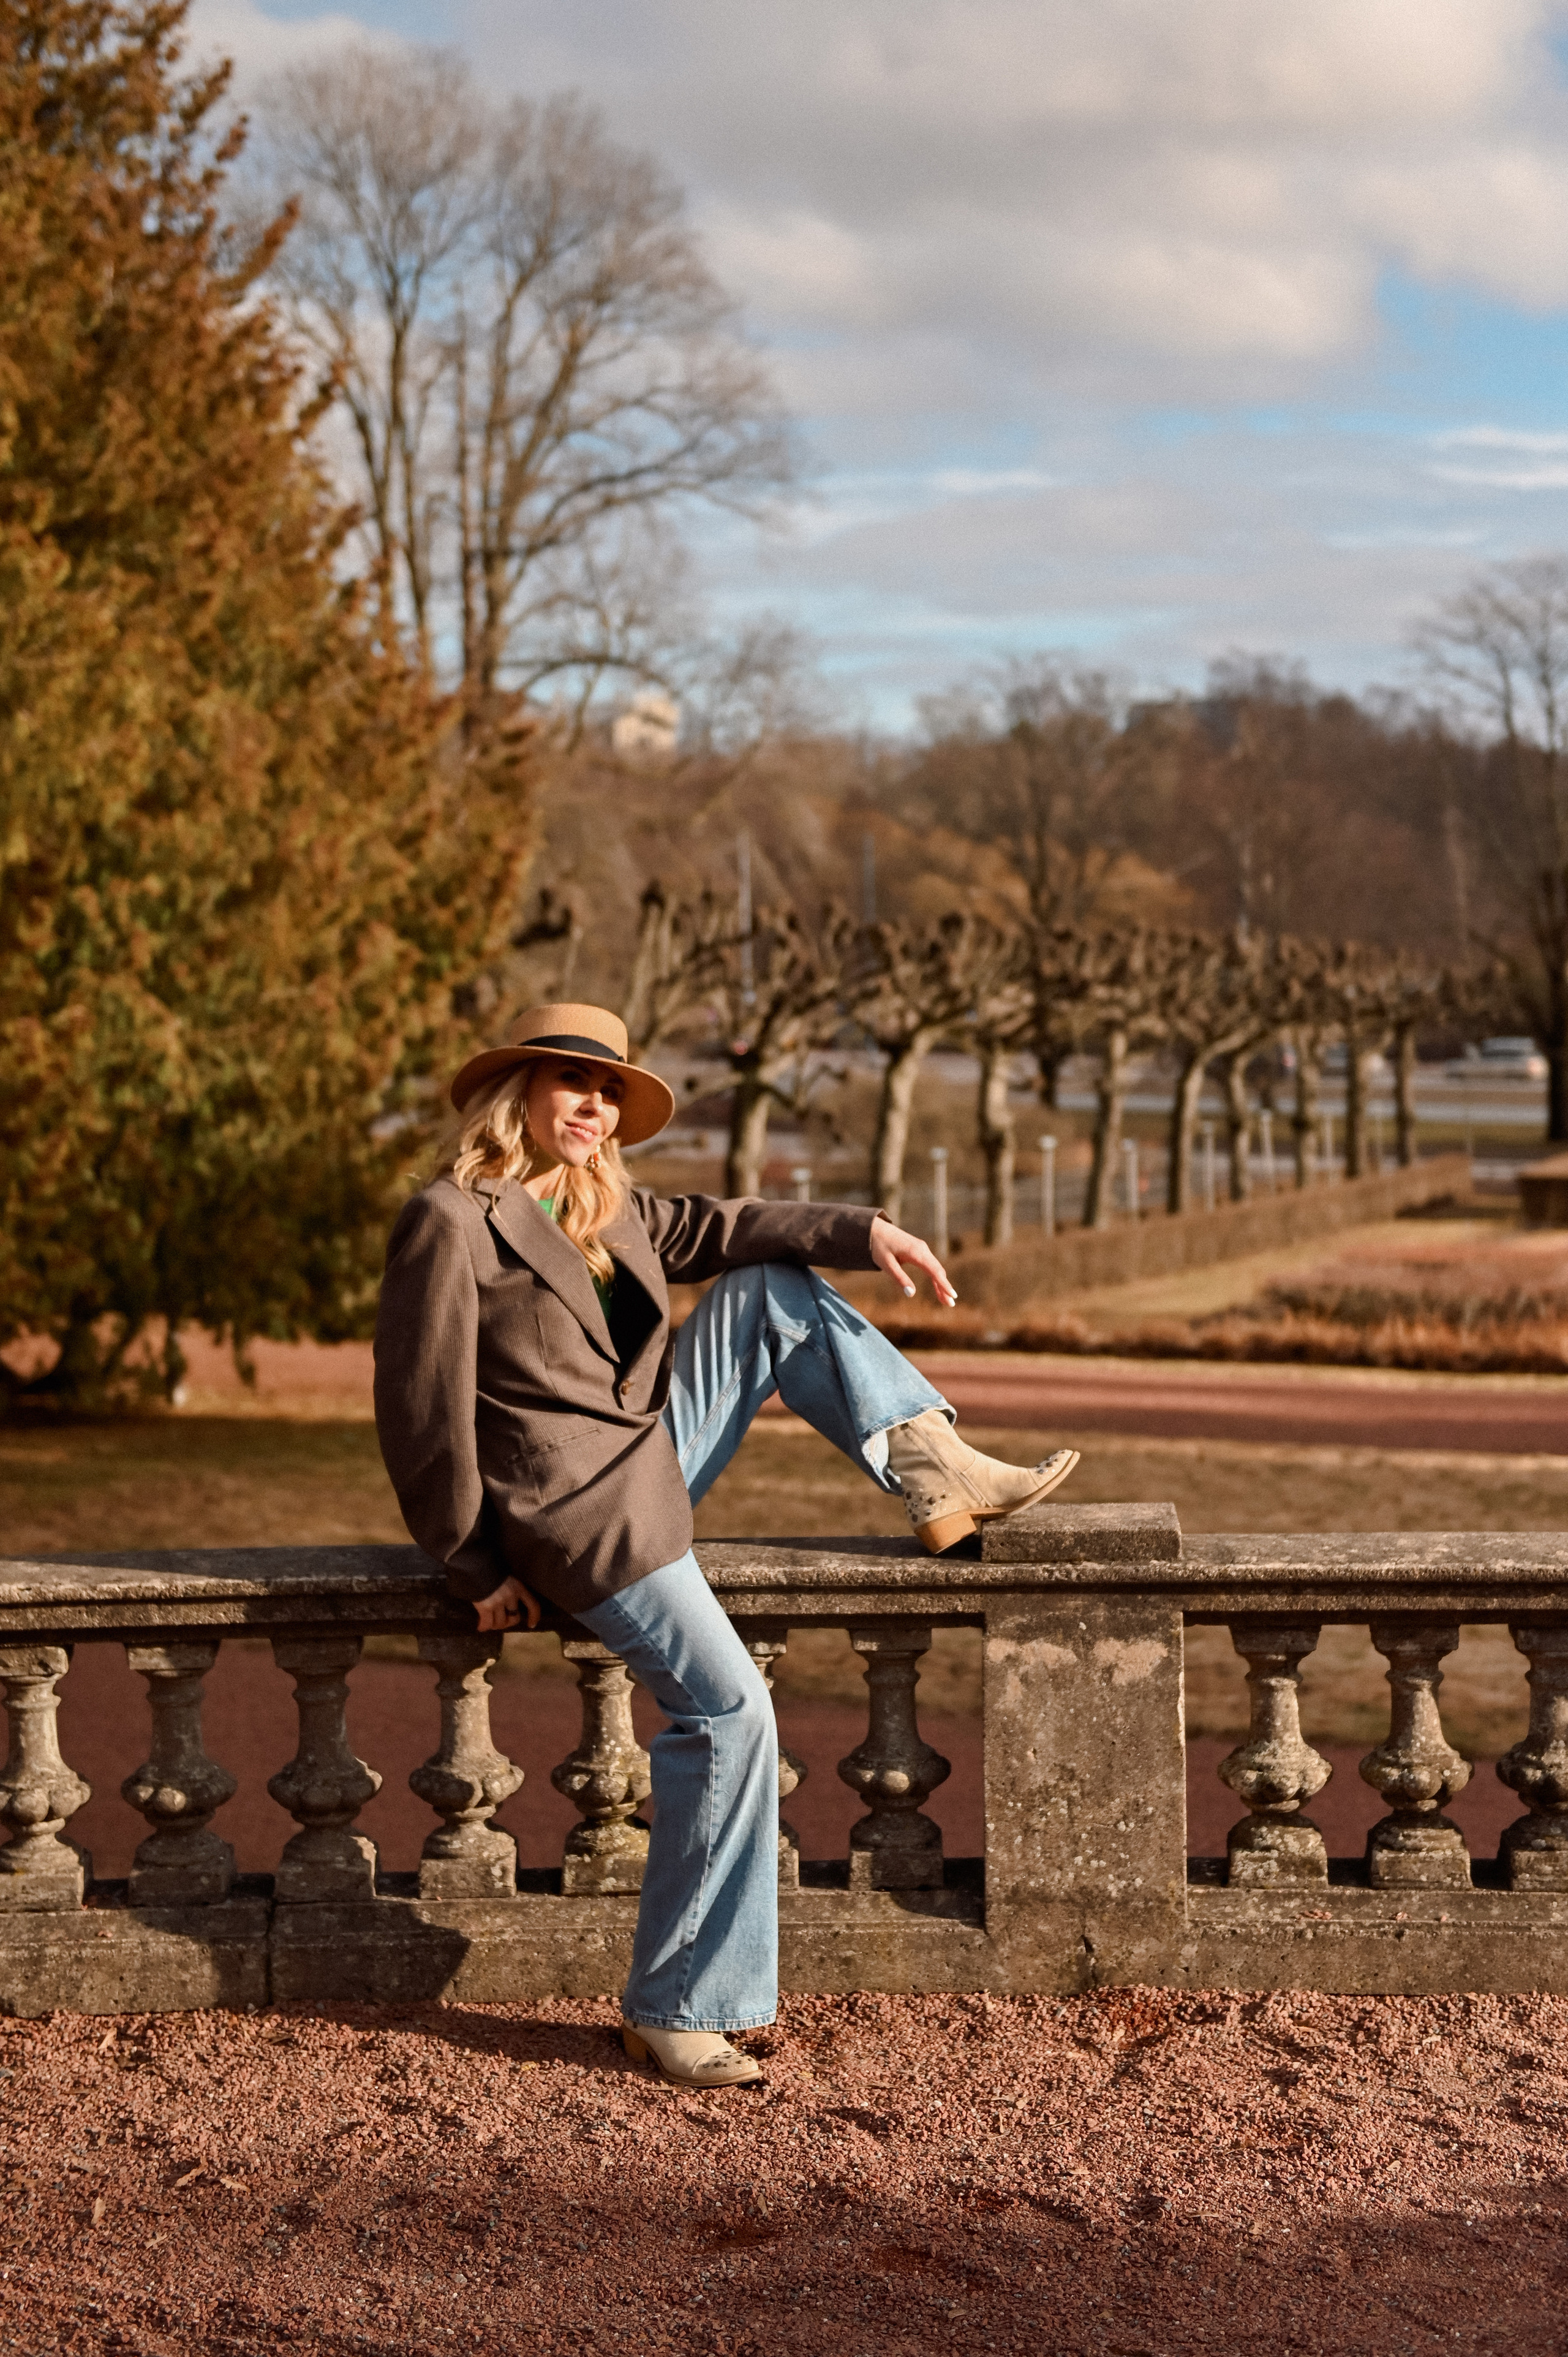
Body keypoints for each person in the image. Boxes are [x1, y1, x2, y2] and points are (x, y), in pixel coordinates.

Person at [374, 1002, 1080, 2089]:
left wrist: (869, 1229)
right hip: (575, 1517)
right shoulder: (452, 1219)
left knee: (773, 1285)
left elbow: (738, 1224)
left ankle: (930, 1462)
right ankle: (677, 2004)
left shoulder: (614, 1212)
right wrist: (473, 1568)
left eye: (610, 1092)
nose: (596, 1108)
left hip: (650, 1464)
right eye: (574, 1084)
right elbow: (420, 1415)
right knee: (733, 1712)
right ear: (516, 1091)